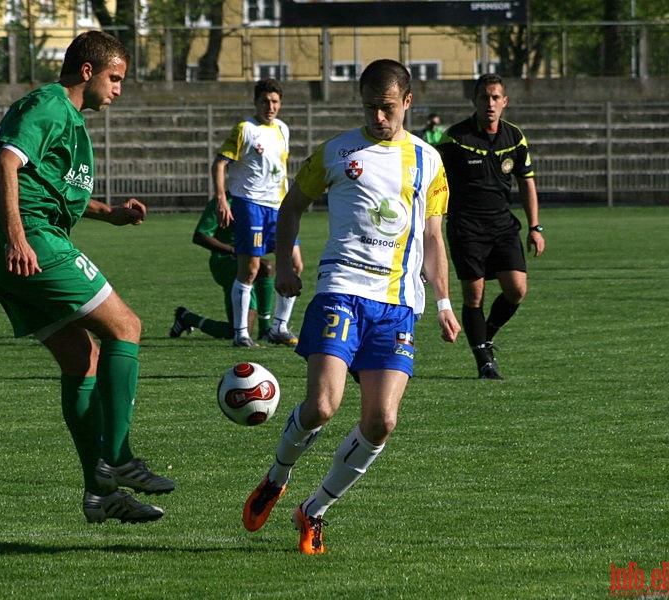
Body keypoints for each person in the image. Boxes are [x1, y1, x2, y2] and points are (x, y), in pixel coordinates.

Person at [241, 59, 461, 555]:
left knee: (382, 421)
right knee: (322, 406)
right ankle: (277, 478)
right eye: (370, 108)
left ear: (408, 102)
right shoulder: (337, 152)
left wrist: (444, 301)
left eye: (387, 108)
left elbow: (432, 237)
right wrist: (287, 268)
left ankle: (312, 510)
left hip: (399, 305)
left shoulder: (430, 161)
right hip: (341, 289)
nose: (378, 118)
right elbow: (290, 206)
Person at [0, 31, 174, 525]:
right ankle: (120, 456)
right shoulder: (47, 105)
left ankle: (100, 493)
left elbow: (52, 187)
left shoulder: (70, 122)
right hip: (31, 243)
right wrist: (19, 238)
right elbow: (5, 164)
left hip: (2, 252)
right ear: (88, 71)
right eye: (115, 78)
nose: (119, 89)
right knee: (126, 326)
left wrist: (112, 214)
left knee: (81, 359)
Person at [436, 73, 545, 380]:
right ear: (475, 101)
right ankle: (484, 361)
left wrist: (535, 227)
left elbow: (527, 183)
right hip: (466, 226)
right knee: (474, 297)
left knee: (517, 289)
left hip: (502, 226)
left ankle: (487, 334)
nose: (490, 103)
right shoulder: (455, 138)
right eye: (484, 97)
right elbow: (435, 181)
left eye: (496, 97)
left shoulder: (514, 137)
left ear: (504, 101)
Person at [212, 78, 302, 348]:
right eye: (265, 101)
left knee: (295, 265)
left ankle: (279, 327)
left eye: (275, 101)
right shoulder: (245, 129)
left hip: (278, 207)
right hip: (249, 204)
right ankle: (241, 334)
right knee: (250, 270)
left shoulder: (283, 130)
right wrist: (221, 199)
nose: (270, 106)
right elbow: (220, 164)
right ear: (256, 102)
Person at [169, 196, 280, 341]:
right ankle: (187, 318)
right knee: (239, 332)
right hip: (225, 261)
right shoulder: (223, 202)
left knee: (266, 267)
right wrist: (233, 250)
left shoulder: (258, 200)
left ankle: (265, 329)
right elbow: (200, 235)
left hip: (248, 260)